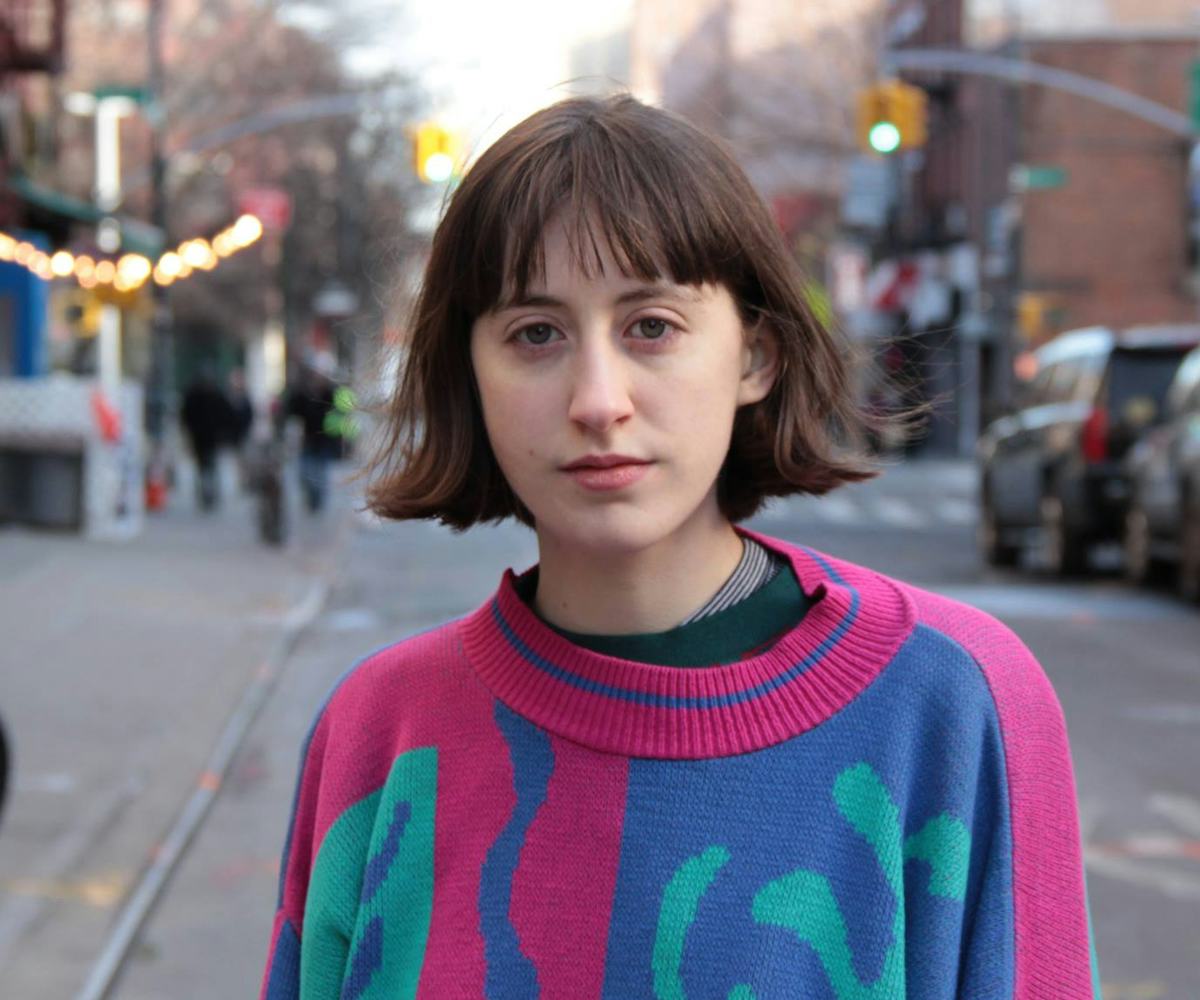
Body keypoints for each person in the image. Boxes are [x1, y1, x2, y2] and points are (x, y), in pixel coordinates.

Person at [260, 96, 1100, 998]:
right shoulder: (378, 735)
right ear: (469, 373)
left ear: (755, 357)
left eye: (650, 326)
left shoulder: (953, 703)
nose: (597, 398)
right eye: (535, 334)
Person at [282, 358, 342, 513]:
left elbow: (339, 416)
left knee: (321, 474)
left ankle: (318, 499)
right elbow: (291, 411)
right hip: (306, 440)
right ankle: (311, 497)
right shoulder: (302, 394)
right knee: (304, 473)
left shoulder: (330, 394)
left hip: (324, 442)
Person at [180, 366, 234, 511]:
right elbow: (186, 416)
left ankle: (209, 495)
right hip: (203, 438)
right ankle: (206, 495)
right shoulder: (197, 395)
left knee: (208, 467)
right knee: (205, 467)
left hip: (209, 438)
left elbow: (226, 415)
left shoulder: (212, 395)